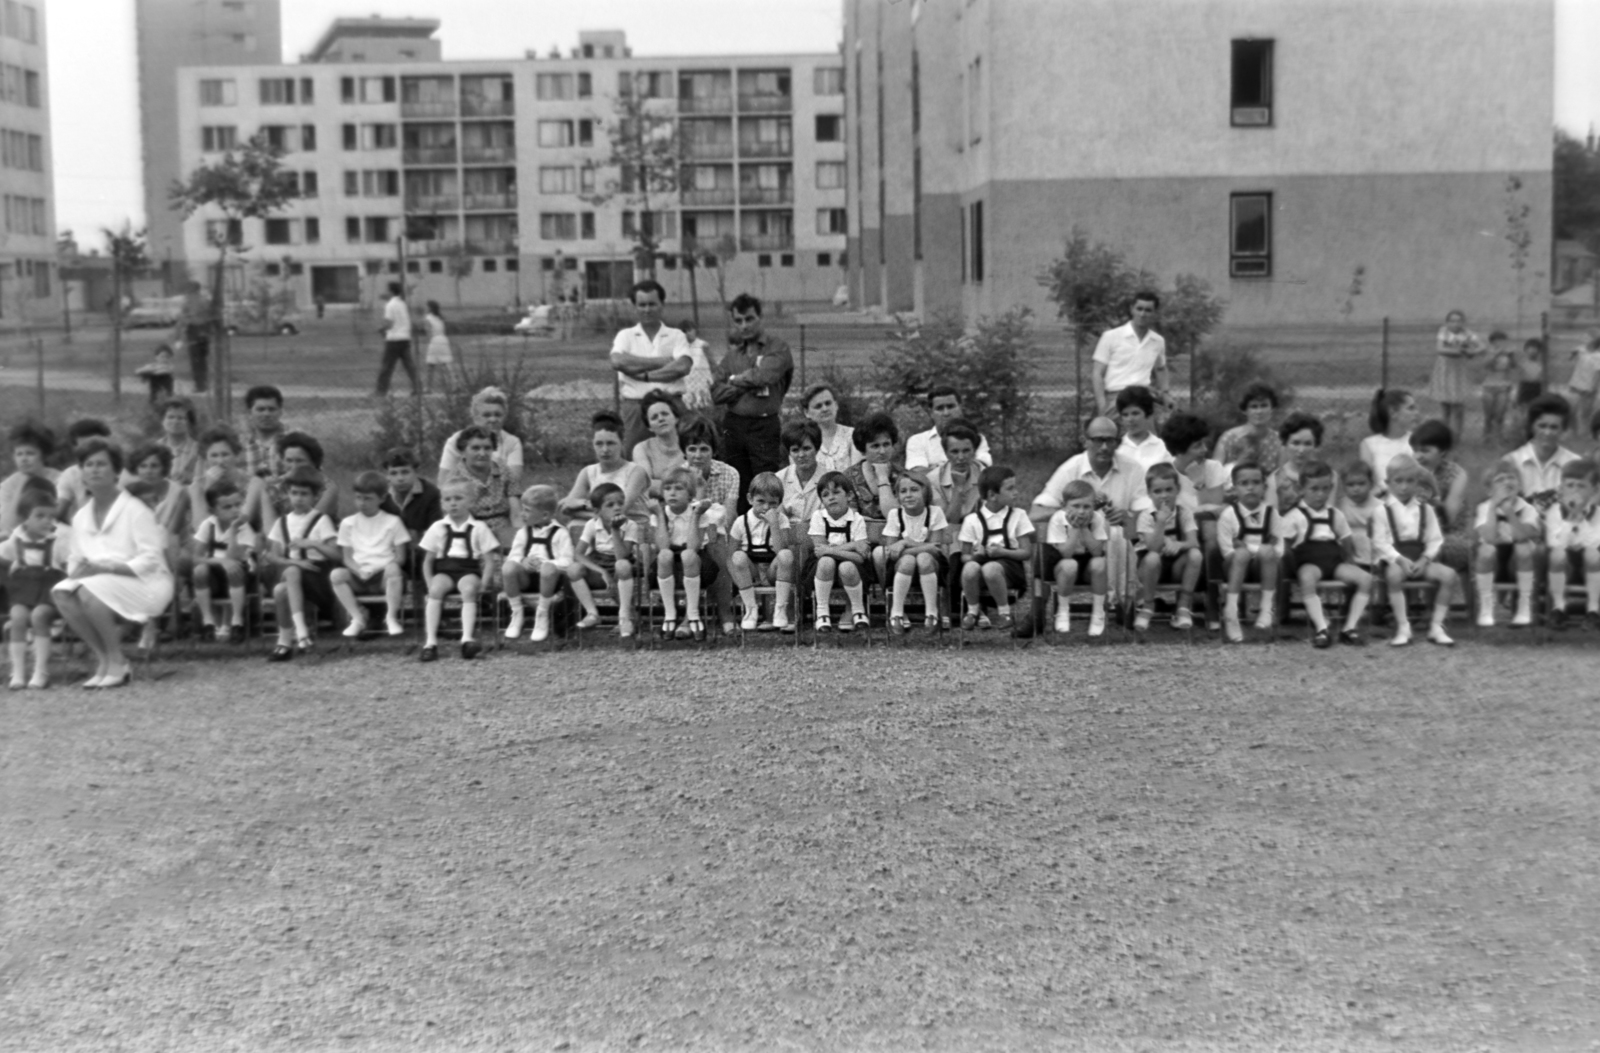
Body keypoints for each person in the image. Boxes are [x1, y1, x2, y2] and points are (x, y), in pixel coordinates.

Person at [51, 439, 174, 689]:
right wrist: (79, 570)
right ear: (82, 472)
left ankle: (117, 660)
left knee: (89, 591)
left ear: (116, 471)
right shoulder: (80, 516)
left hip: (147, 584)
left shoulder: (136, 509)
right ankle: (104, 659)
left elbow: (151, 559)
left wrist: (107, 569)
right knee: (62, 592)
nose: (94, 469)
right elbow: (75, 558)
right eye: (89, 464)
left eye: (101, 464)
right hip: (98, 580)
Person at [711, 293, 793, 511]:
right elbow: (716, 393)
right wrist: (746, 384)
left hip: (763, 425)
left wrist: (735, 380)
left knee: (765, 482)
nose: (744, 325)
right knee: (737, 481)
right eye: (738, 321)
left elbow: (766, 376)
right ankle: (742, 532)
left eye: (749, 319)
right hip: (735, 424)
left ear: (759, 318)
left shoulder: (777, 347)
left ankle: (767, 532)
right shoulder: (731, 356)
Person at [1280, 460, 1371, 648]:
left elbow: (1345, 540)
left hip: (1334, 561)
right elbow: (1285, 545)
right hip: (1309, 562)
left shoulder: (1335, 514)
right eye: (1314, 489)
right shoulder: (1294, 516)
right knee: (1307, 578)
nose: (1320, 494)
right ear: (1301, 488)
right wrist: (1289, 567)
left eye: (1325, 489)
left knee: (1366, 579)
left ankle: (1349, 628)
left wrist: (1351, 561)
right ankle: (1322, 628)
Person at [1376, 454, 1457, 647]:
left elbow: (1435, 540)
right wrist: (1400, 560)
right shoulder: (1382, 511)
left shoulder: (1425, 510)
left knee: (1449, 575)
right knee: (1394, 576)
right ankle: (1403, 626)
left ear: (1417, 483)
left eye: (1410, 481)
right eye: (1398, 481)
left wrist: (1424, 560)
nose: (1404, 487)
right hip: (1396, 561)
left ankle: (1436, 626)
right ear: (1388, 483)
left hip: (1420, 559)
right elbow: (1380, 543)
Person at [417, 479, 499, 661]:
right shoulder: (438, 528)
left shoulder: (479, 528)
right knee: (436, 590)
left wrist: (484, 583)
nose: (452, 503)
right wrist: (429, 581)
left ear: (471, 501)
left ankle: (467, 639)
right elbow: (428, 561)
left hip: (468, 570)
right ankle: (430, 642)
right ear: (442, 503)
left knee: (469, 589)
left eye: (458, 498)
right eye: (447, 499)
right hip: (444, 570)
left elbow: (489, 560)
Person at [263, 467, 340, 661]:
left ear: (314, 497)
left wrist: (313, 543)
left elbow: (336, 554)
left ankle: (291, 637)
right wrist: (294, 562)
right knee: (285, 582)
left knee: (284, 584)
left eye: (304, 494)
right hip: (294, 574)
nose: (299, 498)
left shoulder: (321, 520)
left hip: (317, 576)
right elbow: (272, 556)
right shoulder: (281, 522)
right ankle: (295, 638)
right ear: (287, 494)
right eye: (294, 493)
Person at [609, 280, 691, 452]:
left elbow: (682, 367)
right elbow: (617, 362)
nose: (647, 310)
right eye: (642, 305)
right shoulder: (625, 336)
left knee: (678, 456)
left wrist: (644, 375)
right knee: (634, 458)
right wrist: (661, 361)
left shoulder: (676, 336)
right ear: (635, 307)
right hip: (636, 409)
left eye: (652, 304)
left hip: (671, 407)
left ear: (662, 305)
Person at [330, 471, 409, 639]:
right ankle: (357, 618)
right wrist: (358, 570)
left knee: (394, 569)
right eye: (358, 497)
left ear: (381, 498)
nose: (362, 503)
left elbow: (401, 557)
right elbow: (347, 557)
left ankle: (391, 617)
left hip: (382, 576)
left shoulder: (393, 521)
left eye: (368, 498)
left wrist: (381, 567)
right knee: (336, 575)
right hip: (359, 574)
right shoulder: (348, 523)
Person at [3, 489, 69, 690]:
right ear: (24, 519)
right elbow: (3, 556)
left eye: (51, 516)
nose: (47, 521)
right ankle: (19, 671)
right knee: (17, 616)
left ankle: (41, 670)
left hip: (49, 593)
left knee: (39, 616)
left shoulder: (58, 542)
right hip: (24, 591)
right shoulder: (17, 538)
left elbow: (69, 568)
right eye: (39, 516)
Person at [958, 465, 1035, 633]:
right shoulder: (972, 520)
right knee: (970, 568)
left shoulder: (1018, 516)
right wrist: (975, 556)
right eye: (1010, 488)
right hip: (981, 570)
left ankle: (1004, 612)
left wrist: (1003, 552)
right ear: (992, 495)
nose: (1016, 492)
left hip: (1010, 572)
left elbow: (1027, 552)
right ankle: (972, 611)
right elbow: (964, 556)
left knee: (991, 568)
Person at [650, 466, 723, 641]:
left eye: (678, 488)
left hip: (697, 563)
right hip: (668, 565)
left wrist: (696, 516)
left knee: (688, 555)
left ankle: (693, 614)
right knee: (664, 555)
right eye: (667, 489)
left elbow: (693, 547)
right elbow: (662, 547)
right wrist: (660, 515)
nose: (672, 493)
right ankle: (670, 614)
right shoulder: (661, 513)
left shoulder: (699, 511)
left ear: (690, 494)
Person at [1131, 463, 1202, 632]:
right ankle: (1148, 606)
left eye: (1169, 490)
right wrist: (1161, 522)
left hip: (1175, 566)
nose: (1164, 496)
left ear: (1177, 490)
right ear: (1149, 493)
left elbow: (1194, 542)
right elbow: (1153, 547)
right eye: (1158, 491)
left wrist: (1179, 544)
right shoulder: (1146, 517)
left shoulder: (1184, 513)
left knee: (1195, 554)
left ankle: (1183, 607)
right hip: (1150, 568)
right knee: (1153, 557)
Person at [1216, 461, 1282, 643]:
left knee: (1268, 552)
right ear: (1234, 487)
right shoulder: (1229, 515)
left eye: (1256, 482)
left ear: (1264, 486)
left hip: (1262, 567)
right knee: (1242, 554)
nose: (1250, 488)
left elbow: (1279, 547)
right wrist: (1249, 549)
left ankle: (1266, 607)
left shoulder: (1271, 514)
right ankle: (1231, 611)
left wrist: (1249, 546)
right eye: (1244, 483)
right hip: (1234, 567)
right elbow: (1227, 550)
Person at [1472, 458, 1542, 628]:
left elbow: (1521, 536)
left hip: (1518, 564)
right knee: (1486, 549)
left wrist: (1509, 511)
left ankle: (1524, 606)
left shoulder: (1528, 509)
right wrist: (1494, 508)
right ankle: (1487, 606)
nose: (1507, 482)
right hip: (1493, 564)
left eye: (1511, 478)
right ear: (1490, 490)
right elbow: (1489, 537)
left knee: (1523, 548)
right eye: (1499, 480)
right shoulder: (1484, 508)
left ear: (1519, 485)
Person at [502, 485, 576, 643]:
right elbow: (513, 555)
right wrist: (523, 560)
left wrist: (546, 563)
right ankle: (516, 613)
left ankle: (542, 614)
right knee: (508, 567)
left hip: (551, 580)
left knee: (548, 569)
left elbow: (567, 561)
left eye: (527, 510)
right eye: (523, 509)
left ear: (544, 515)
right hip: (526, 579)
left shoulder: (560, 533)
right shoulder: (523, 533)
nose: (522, 514)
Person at [570, 482, 641, 638]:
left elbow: (622, 556)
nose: (617, 507)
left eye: (620, 503)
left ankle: (625, 617)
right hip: (599, 564)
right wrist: (601, 572)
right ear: (597, 512)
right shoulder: (592, 524)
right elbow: (578, 554)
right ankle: (592, 613)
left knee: (621, 565)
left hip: (622, 566)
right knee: (574, 569)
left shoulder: (631, 525)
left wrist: (615, 530)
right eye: (610, 505)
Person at [880, 473, 948, 635]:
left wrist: (905, 543)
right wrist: (922, 547)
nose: (908, 495)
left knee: (924, 558)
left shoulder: (935, 512)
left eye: (914, 490)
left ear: (925, 492)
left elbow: (936, 549)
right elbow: (891, 552)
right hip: (902, 569)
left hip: (931, 568)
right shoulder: (895, 515)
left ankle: (931, 612)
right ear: (897, 496)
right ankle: (896, 613)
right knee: (909, 560)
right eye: (903, 491)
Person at [728, 472, 797, 633]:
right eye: (760, 501)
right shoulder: (740, 522)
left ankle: (780, 608)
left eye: (772, 503)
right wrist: (739, 581)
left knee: (786, 555)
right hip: (751, 571)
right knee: (738, 556)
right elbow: (730, 555)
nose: (766, 507)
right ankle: (751, 608)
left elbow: (781, 550)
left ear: (779, 503)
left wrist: (774, 525)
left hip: (774, 570)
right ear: (750, 499)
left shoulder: (781, 520)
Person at [190, 479, 256, 643]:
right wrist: (220, 562)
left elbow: (235, 556)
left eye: (237, 505)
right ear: (213, 511)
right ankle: (208, 622)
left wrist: (233, 530)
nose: (234, 510)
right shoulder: (209, 525)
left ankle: (237, 621)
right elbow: (196, 557)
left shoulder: (243, 527)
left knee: (234, 568)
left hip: (240, 576)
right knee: (199, 570)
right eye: (227, 507)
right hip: (217, 576)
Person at [560, 411, 651, 526]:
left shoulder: (636, 472)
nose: (605, 450)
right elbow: (566, 507)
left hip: (634, 533)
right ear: (592, 444)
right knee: (575, 524)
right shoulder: (588, 472)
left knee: (581, 523)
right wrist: (589, 509)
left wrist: (584, 506)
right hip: (605, 531)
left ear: (622, 443)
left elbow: (618, 513)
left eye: (611, 443)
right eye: (599, 444)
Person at [808, 470, 871, 634]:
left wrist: (831, 550)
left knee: (847, 566)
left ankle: (858, 610)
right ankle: (822, 612)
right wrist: (852, 546)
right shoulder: (818, 517)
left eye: (836, 492)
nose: (831, 497)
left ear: (849, 495)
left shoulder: (857, 519)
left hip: (853, 569)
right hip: (821, 569)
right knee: (826, 561)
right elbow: (819, 552)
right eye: (826, 494)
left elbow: (860, 557)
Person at [440, 424, 522, 549]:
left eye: (487, 448)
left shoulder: (504, 471)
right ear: (463, 450)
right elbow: (453, 518)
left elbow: (516, 514)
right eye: (475, 448)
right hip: (471, 532)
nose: (482, 453)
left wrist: (520, 540)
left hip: (504, 529)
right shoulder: (455, 478)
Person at [1045, 479, 1109, 637]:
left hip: (1088, 566)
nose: (1081, 511)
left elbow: (1097, 552)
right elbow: (1065, 553)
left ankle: (1098, 613)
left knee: (1100, 563)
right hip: (1063, 567)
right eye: (1076, 506)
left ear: (1093, 506)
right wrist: (1075, 528)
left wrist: (1085, 529)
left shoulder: (1096, 519)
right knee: (1070, 564)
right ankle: (1063, 610)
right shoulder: (1058, 519)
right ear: (1065, 506)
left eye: (1086, 506)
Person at [1542, 458, 1600, 629]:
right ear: (1561, 489)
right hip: (1564, 566)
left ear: (1595, 490)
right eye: (1570, 485)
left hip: (1592, 567)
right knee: (1557, 554)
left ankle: (1593, 610)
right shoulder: (1554, 513)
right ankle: (1558, 608)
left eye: (1581, 486)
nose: (1575, 491)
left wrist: (1581, 518)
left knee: (1593, 554)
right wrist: (1570, 519)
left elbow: (1594, 542)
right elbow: (1555, 542)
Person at [1091, 290, 1168, 413]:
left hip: (1145, 399)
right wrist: (1102, 406)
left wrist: (1165, 394)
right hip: (1116, 398)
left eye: (1148, 310)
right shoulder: (1111, 336)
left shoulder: (1157, 341)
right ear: (1132, 309)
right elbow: (1097, 374)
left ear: (1155, 313)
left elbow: (1161, 369)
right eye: (1139, 309)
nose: (1143, 314)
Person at [1410, 420, 1471, 571]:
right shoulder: (1407, 471)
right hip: (1411, 533)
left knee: (1432, 547)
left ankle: (1427, 592)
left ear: (1442, 452)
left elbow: (1448, 519)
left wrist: (1430, 489)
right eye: (1415, 450)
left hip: (1447, 535)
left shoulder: (1456, 475)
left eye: (1425, 451)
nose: (1418, 456)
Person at [439, 387, 524, 490]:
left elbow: (514, 483)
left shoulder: (512, 442)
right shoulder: (456, 440)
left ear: (504, 416)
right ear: (475, 417)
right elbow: (443, 482)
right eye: (486, 415)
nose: (493, 419)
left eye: (498, 415)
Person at [1509, 394, 1580, 511]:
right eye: (1542, 426)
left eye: (1554, 427)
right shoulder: (1512, 462)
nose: (1547, 432)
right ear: (1531, 427)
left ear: (1563, 429)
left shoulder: (1575, 464)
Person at [380, 447, 442, 578]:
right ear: (387, 474)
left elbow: (436, 529)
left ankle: (425, 591)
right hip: (392, 549)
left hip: (421, 547)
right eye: (394, 473)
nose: (400, 478)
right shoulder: (382, 496)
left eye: (405, 472)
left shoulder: (431, 493)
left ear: (416, 471)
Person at [903, 386, 993, 471]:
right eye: (940, 408)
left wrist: (935, 468)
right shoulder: (918, 441)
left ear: (960, 408)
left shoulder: (976, 437)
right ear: (931, 413)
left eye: (950, 407)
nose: (946, 413)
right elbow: (917, 474)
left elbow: (982, 468)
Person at [1427, 309, 1485, 437]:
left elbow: (1481, 346)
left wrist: (1473, 351)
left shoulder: (1467, 333)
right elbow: (1440, 348)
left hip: (1459, 371)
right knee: (1446, 406)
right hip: (1445, 370)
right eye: (1452, 321)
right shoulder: (1444, 332)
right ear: (1447, 322)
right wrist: (1462, 351)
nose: (1455, 324)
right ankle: (1444, 435)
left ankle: (1457, 436)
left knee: (1458, 406)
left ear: (1463, 322)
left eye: (1459, 321)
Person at [845, 411, 907, 521]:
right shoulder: (848, 477)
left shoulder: (904, 477)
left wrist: (882, 477)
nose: (882, 451)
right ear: (863, 450)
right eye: (875, 446)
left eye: (886, 444)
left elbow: (894, 517)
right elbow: (849, 519)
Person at [0, 422, 60, 536]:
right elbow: (6, 526)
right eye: (19, 454)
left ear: (43, 455)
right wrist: (23, 483)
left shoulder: (59, 479)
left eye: (30, 453)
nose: (24, 459)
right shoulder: (7, 486)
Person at [1359, 388, 1420, 493]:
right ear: (1393, 413)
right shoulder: (1369, 445)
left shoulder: (1417, 440)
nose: (1416, 413)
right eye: (1410, 408)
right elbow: (1367, 481)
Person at [1215, 384, 1283, 478]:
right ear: (1245, 410)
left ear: (1272, 408)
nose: (1259, 411)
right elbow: (1214, 475)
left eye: (1264, 406)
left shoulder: (1279, 441)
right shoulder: (1228, 438)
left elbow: (1282, 475)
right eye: (1254, 407)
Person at [54, 419, 114, 521]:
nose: (91, 450)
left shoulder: (119, 473)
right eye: (84, 446)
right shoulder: (71, 474)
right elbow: (59, 509)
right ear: (75, 449)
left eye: (95, 445)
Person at [927, 420, 984, 526]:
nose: (961, 457)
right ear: (946, 453)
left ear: (974, 451)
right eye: (954, 452)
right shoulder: (932, 480)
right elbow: (947, 522)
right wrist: (958, 488)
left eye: (966, 451)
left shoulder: (986, 476)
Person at [1270, 412, 1328, 512]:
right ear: (1285, 443)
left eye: (1307, 444)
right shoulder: (1275, 479)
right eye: (1295, 443)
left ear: (1316, 445)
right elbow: (1272, 519)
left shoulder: (1328, 476)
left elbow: (1329, 514)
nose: (1301, 450)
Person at [631, 389, 689, 487]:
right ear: (649, 427)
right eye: (654, 417)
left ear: (676, 418)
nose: (661, 419)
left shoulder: (690, 444)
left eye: (665, 414)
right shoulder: (642, 449)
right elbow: (644, 483)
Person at [1337, 460, 1386, 576]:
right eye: (1350, 485)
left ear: (1371, 484)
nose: (1356, 489)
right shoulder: (1340, 505)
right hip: (1350, 555)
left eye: (1361, 484)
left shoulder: (1380, 506)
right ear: (1343, 486)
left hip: (1374, 554)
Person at [802, 383, 861, 473]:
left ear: (836, 405)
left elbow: (857, 472)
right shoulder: (802, 440)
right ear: (807, 413)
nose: (825, 409)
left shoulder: (852, 435)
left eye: (828, 403)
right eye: (818, 406)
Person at [375, 281, 420, 398]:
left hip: (394, 339)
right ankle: (417, 388)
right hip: (405, 338)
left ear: (390, 291)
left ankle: (381, 391)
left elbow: (389, 324)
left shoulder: (390, 305)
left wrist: (381, 329)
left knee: (387, 366)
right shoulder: (402, 304)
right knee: (409, 365)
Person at [776, 420, 824, 525]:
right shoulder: (779, 479)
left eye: (806, 448)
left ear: (817, 448)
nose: (801, 455)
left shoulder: (830, 478)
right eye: (795, 450)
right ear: (789, 452)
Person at [1115, 387, 1171, 472]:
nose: (1130, 419)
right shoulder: (1116, 448)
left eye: (1135, 413)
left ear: (1147, 414)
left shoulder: (1162, 448)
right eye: (1125, 415)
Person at [241, 385, 286, 480]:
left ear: (280, 412)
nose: (266, 414)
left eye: (271, 409)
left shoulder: (294, 441)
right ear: (249, 413)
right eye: (260, 409)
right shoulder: (239, 445)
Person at [176, 281, 212, 393]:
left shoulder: (188, 301)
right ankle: (204, 383)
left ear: (191, 289)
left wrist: (183, 326)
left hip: (194, 330)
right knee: (202, 359)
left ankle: (199, 385)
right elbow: (209, 316)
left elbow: (183, 317)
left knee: (195, 360)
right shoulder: (205, 300)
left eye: (188, 289)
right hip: (204, 331)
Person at [1562, 329, 1600, 436]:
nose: (1586, 339)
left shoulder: (1598, 356)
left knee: (1585, 413)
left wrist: (1593, 387)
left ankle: (1585, 434)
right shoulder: (1580, 350)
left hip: (1588, 388)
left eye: (1589, 337)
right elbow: (1568, 359)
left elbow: (1598, 374)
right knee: (1570, 409)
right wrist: (1572, 354)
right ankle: (1571, 431)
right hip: (1575, 385)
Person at [1480, 330, 1516, 443]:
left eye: (1503, 341)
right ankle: (1486, 436)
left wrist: (1511, 356)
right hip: (1489, 386)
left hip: (1504, 386)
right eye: (1498, 341)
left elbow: (1514, 366)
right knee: (1489, 414)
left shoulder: (1508, 353)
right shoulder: (1488, 352)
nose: (1501, 343)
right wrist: (1496, 353)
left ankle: (1499, 436)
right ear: (1492, 342)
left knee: (1500, 414)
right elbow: (1486, 365)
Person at [157, 396, 201, 487]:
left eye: (181, 418)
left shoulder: (199, 450)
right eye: (170, 417)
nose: (175, 421)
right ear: (162, 420)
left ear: (190, 423)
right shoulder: (154, 449)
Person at [678, 320, 716, 413]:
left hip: (702, 383)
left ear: (695, 330)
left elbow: (713, 364)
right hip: (688, 385)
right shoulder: (680, 348)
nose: (687, 334)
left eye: (689, 330)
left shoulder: (702, 345)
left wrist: (713, 379)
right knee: (689, 410)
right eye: (684, 331)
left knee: (704, 408)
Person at [423, 300, 454, 392]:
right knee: (446, 364)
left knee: (430, 365)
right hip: (443, 339)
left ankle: (428, 387)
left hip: (434, 340)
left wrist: (429, 342)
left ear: (430, 308)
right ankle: (454, 384)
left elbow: (428, 333)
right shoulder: (440, 318)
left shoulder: (428, 318)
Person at [1515, 337, 1547, 422]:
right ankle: (1522, 427)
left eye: (1536, 349)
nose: (1533, 351)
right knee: (1522, 409)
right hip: (1525, 386)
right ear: (1525, 350)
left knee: (1535, 410)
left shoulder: (1542, 364)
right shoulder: (1522, 362)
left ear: (1539, 351)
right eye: (1530, 348)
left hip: (1537, 387)